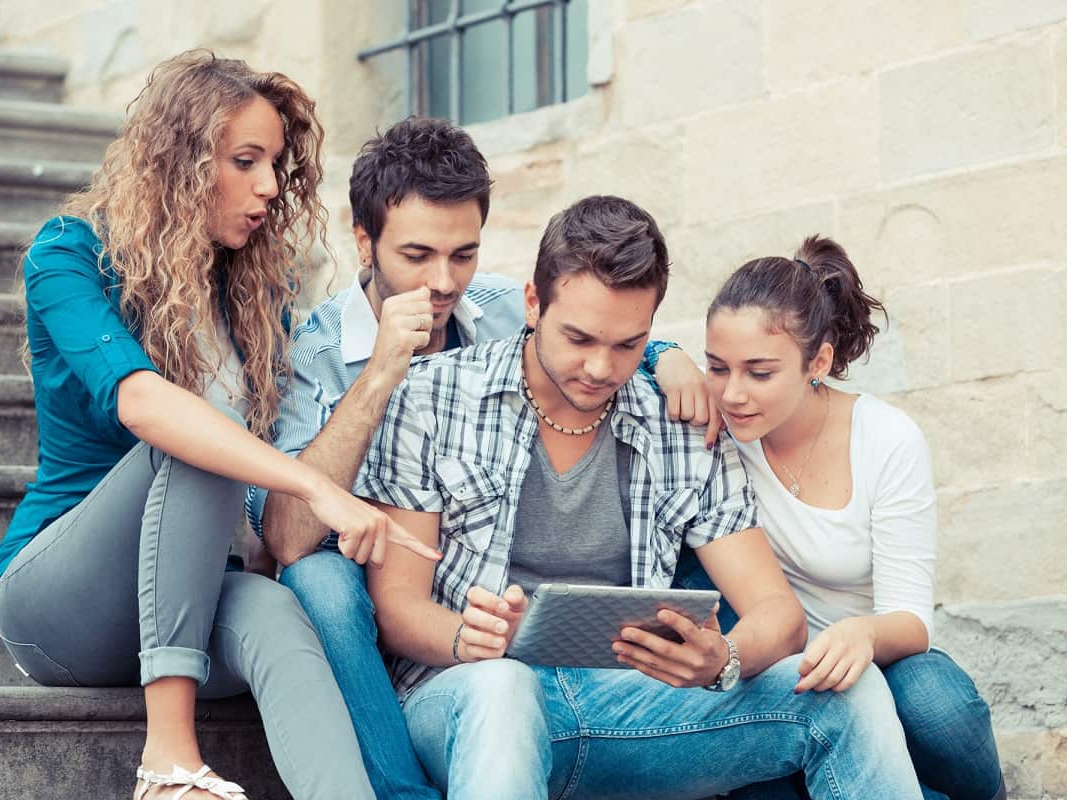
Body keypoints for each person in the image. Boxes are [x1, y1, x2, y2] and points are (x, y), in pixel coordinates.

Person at [357, 195, 924, 799]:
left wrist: (722, 658)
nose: (600, 367)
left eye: (628, 345)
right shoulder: (433, 397)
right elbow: (396, 610)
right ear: (532, 303)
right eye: (579, 338)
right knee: (504, 688)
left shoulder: (678, 425)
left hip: (627, 704)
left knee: (846, 694)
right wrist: (465, 639)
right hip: (467, 692)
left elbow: (778, 616)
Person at [0, 50, 436, 800]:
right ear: (181, 160)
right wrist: (315, 490)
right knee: (198, 443)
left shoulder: (250, 290)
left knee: (281, 618)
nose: (268, 186)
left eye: (275, 164)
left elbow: (452, 296)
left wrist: (656, 352)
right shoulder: (70, 254)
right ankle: (167, 760)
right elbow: (143, 405)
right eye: (245, 160)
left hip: (187, 596)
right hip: (60, 601)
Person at [243, 117, 717, 799]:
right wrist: (379, 373)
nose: (443, 282)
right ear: (363, 243)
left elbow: (592, 337)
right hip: (371, 597)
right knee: (317, 579)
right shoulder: (313, 355)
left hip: (476, 586)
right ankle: (399, 788)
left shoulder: (496, 303)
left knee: (690, 515)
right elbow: (287, 537)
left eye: (463, 254)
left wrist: (665, 358)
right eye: (417, 255)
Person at [702, 236, 1005, 800]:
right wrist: (666, 360)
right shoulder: (717, 437)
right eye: (717, 367)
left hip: (880, 651)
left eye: (759, 372)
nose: (733, 393)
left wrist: (860, 634)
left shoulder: (886, 438)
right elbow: (629, 359)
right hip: (780, 669)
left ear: (817, 362)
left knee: (940, 706)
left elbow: (912, 621)